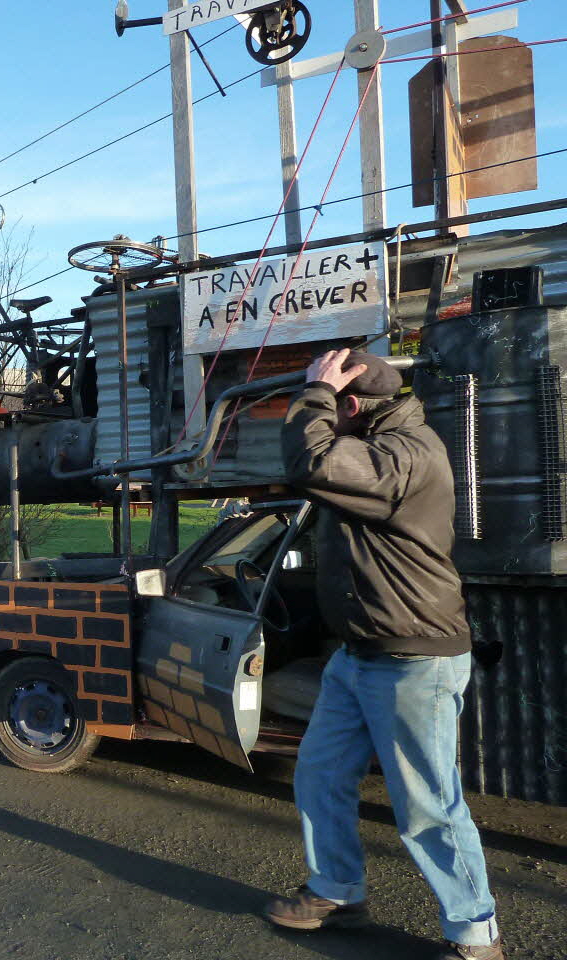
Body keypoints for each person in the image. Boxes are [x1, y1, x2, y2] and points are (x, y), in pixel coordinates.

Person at [266, 349, 501, 960]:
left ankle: (476, 935)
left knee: (428, 807)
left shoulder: (406, 454)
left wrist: (312, 393)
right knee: (320, 777)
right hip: (360, 654)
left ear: (349, 406)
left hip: (413, 658)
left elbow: (310, 462)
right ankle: (337, 891)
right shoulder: (380, 446)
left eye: (330, 403)